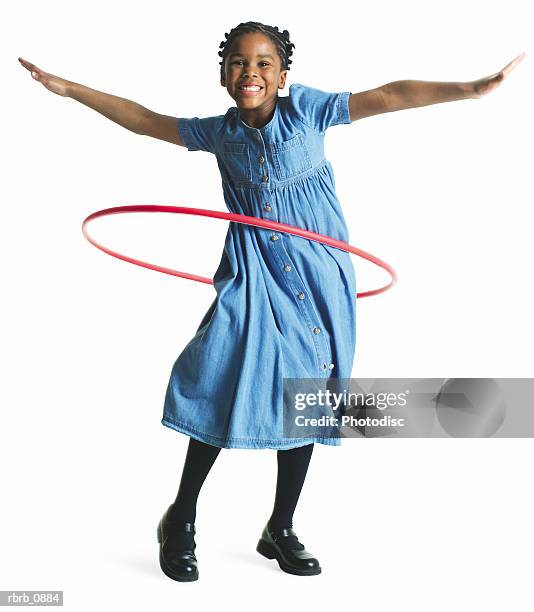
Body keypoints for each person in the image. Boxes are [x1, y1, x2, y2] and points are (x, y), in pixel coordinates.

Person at [18, 22, 524, 583]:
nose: (250, 73)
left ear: (284, 76)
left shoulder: (308, 111)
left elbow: (391, 95)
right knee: (221, 367)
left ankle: (279, 526)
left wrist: (469, 89)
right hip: (254, 270)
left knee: (305, 393)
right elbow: (143, 121)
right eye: (237, 62)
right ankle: (181, 516)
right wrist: (70, 89)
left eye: (263, 64)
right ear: (221, 75)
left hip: (318, 272)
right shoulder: (218, 133)